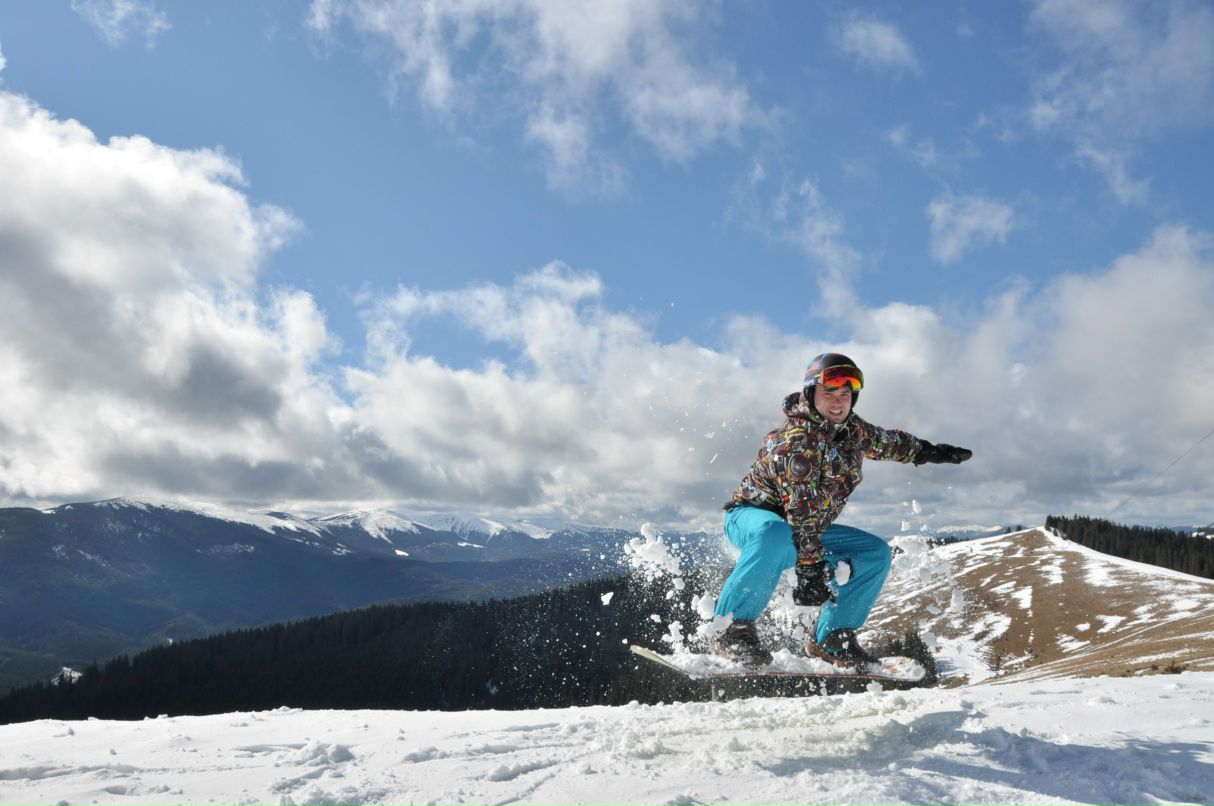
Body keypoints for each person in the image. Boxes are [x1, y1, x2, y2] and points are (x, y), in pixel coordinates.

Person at [709, 352, 972, 669]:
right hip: (753, 518)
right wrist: (809, 569)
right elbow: (801, 508)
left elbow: (888, 442)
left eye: (845, 394)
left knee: (875, 553)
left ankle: (835, 640)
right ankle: (729, 630)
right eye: (829, 393)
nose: (838, 402)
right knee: (775, 533)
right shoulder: (794, 441)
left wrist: (929, 452)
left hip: (805, 530)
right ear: (811, 394)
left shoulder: (851, 431)